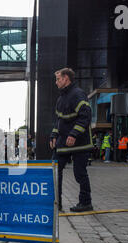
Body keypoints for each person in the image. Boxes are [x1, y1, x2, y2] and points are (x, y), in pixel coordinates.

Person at [49, 68, 93, 213]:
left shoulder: (78, 94)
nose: (56, 83)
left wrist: (73, 134)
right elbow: (59, 121)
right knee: (55, 170)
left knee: (80, 173)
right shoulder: (60, 99)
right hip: (63, 142)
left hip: (80, 142)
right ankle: (57, 204)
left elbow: (85, 116)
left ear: (66, 78)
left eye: (58, 79)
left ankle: (86, 203)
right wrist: (53, 136)